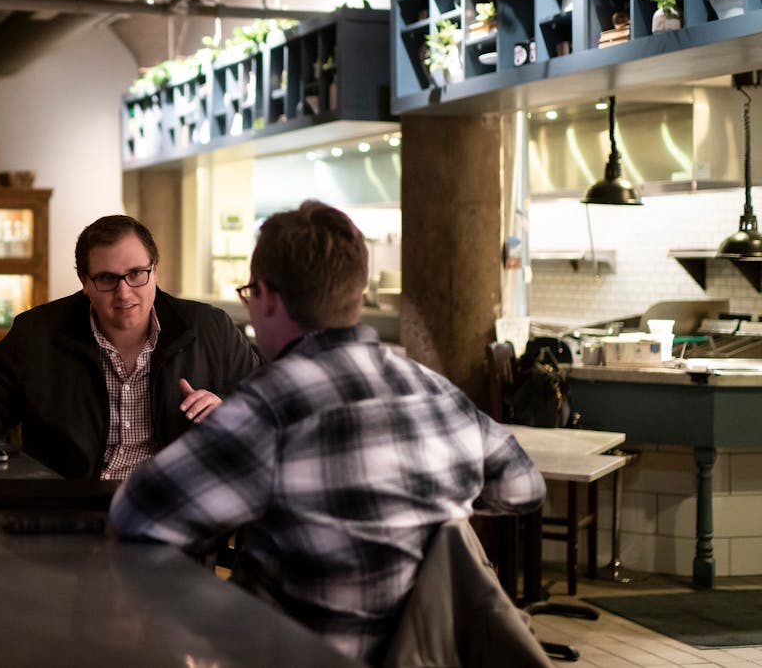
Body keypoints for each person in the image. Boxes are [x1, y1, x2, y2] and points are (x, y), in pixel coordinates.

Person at [109, 201, 544, 665]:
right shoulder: (434, 391)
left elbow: (136, 517)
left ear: (269, 296)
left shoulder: (270, 408)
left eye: (249, 296)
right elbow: (524, 486)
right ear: (356, 292)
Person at [0, 214, 259, 480]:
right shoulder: (38, 332)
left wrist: (228, 410)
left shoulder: (210, 329)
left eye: (136, 274)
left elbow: (266, 406)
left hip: (173, 505)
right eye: (107, 278)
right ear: (85, 282)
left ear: (155, 271)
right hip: (70, 508)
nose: (124, 293)